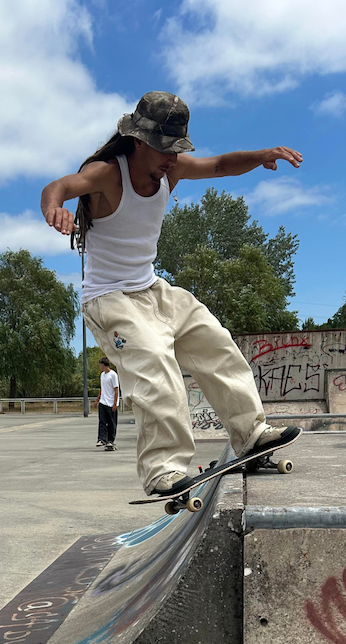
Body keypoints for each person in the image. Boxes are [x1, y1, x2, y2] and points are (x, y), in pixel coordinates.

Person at [41, 91, 302, 496]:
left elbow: (218, 165)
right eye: (164, 149)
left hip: (152, 288)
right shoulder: (109, 173)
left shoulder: (172, 170)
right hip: (109, 299)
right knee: (154, 363)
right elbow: (59, 185)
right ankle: (163, 468)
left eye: (176, 149)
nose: (170, 159)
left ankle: (250, 434)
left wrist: (261, 154)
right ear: (139, 141)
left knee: (215, 342)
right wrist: (55, 208)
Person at [95, 356, 119, 451]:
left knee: (111, 423)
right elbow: (102, 388)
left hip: (111, 403)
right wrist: (97, 399)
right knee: (102, 421)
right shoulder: (102, 375)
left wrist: (115, 403)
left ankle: (110, 440)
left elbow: (116, 389)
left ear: (104, 365)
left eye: (100, 365)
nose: (100, 367)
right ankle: (101, 439)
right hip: (103, 402)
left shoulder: (113, 375)